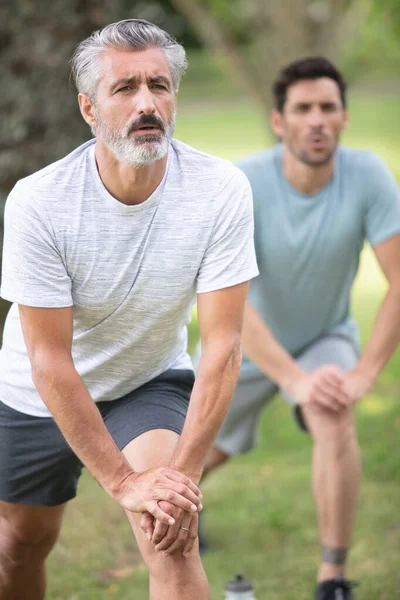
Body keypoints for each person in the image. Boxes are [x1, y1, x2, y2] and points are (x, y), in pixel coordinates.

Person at [0, 19, 258, 600]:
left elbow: (223, 346)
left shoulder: (220, 189)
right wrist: (121, 482)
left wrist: (181, 478)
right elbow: (48, 359)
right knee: (21, 545)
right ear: (89, 108)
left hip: (146, 379)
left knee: (171, 528)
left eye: (159, 86)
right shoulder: (40, 202)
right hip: (36, 390)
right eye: (125, 89)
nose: (148, 104)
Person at [198, 57, 400, 600]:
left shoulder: (369, 176)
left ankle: (332, 577)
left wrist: (363, 372)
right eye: (303, 109)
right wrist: (290, 380)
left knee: (333, 415)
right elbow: (224, 304)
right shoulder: (242, 184)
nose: (317, 120)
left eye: (328, 108)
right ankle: (185, 518)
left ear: (344, 118)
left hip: (322, 338)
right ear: (278, 121)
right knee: (195, 453)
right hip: (244, 339)